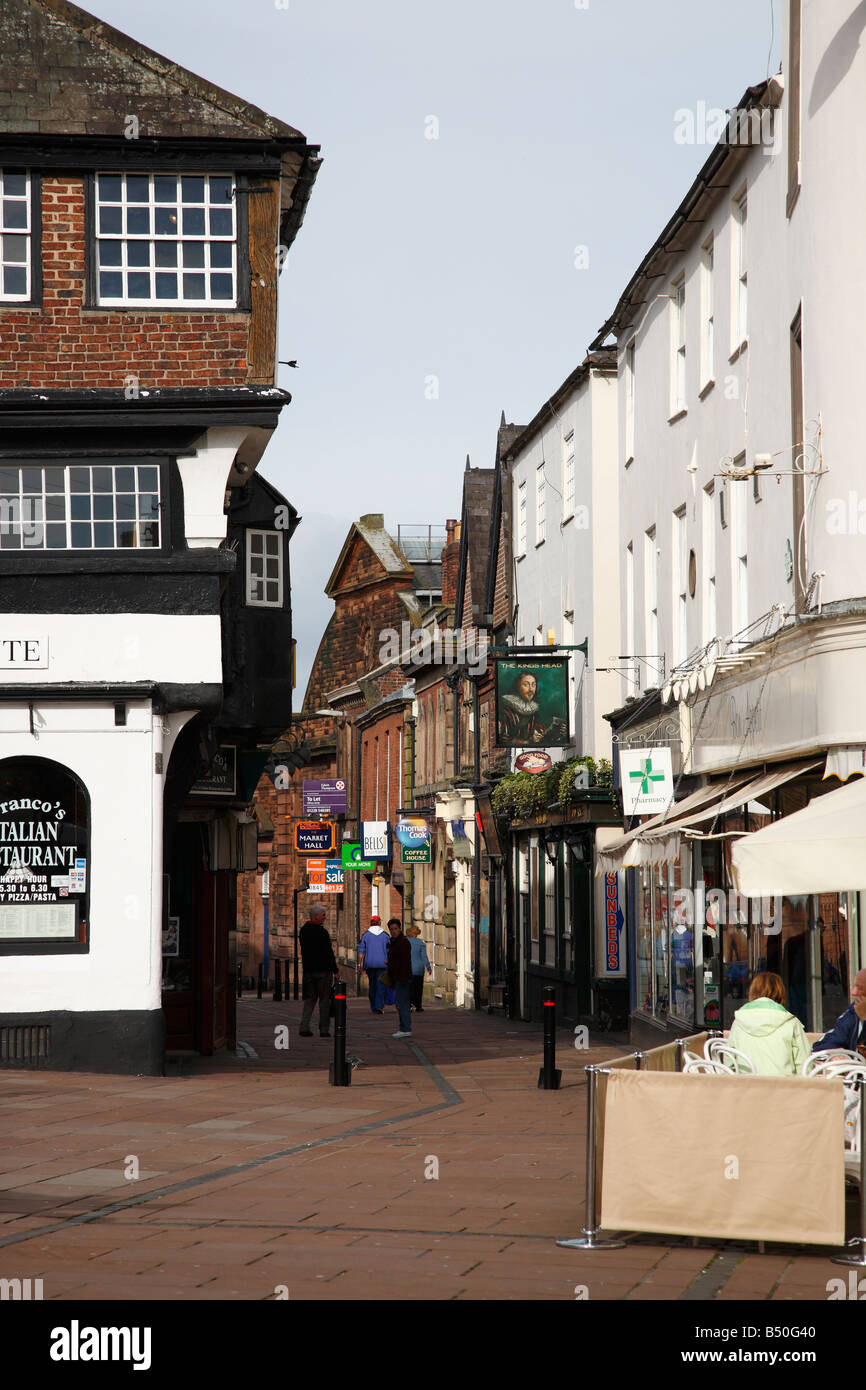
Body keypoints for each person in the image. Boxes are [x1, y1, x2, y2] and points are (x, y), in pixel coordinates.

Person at [727, 971, 810, 1076]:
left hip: (747, 1088)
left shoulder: (738, 1022)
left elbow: (728, 1061)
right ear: (781, 993)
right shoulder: (791, 1022)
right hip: (784, 1088)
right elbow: (805, 1064)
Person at [298, 905, 339, 1037]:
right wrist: (335, 970)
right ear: (315, 916)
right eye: (323, 915)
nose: (325, 917)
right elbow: (328, 953)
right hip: (323, 970)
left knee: (309, 999)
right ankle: (324, 1029)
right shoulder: (322, 932)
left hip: (309, 970)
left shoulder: (303, 931)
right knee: (324, 1000)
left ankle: (304, 1026)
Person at [499, 671, 567, 746]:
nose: (531, 689)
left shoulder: (533, 711)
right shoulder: (506, 710)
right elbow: (504, 739)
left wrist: (558, 733)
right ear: (517, 687)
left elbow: (541, 733)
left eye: (533, 685)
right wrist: (528, 742)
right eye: (526, 685)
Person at [813, 967, 866, 1054]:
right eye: (854, 986)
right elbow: (822, 1044)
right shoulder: (854, 1012)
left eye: (859, 988)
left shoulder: (861, 1012)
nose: (853, 992)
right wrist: (836, 1051)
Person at [386, 916, 413, 1038]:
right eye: (391, 929)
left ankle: (405, 1028)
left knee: (403, 1004)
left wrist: (402, 978)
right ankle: (403, 1027)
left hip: (403, 977)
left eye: (396, 929)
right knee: (400, 1003)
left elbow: (405, 962)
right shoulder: (393, 942)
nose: (394, 931)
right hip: (397, 977)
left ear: (400, 928)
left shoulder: (403, 942)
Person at [357, 914, 389, 1014]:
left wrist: (359, 964)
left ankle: (373, 1006)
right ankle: (379, 1006)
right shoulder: (385, 935)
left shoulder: (366, 935)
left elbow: (361, 952)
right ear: (379, 923)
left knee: (372, 985)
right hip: (383, 964)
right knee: (381, 985)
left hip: (370, 964)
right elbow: (389, 950)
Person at [406, 924, 432, 1011]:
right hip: (419, 969)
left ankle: (409, 1004)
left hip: (408, 969)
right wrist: (428, 967)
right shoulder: (421, 944)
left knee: (408, 988)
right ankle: (418, 1006)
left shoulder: (405, 943)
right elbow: (424, 957)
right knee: (418, 987)